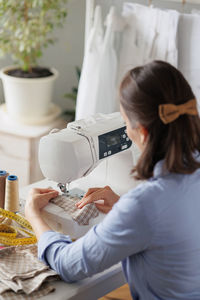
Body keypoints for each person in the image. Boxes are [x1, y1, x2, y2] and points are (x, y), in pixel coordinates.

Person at [25, 60, 200, 300]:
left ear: (144, 133)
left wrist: (32, 214)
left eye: (126, 124)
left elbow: (69, 265)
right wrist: (121, 206)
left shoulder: (144, 204)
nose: (126, 131)